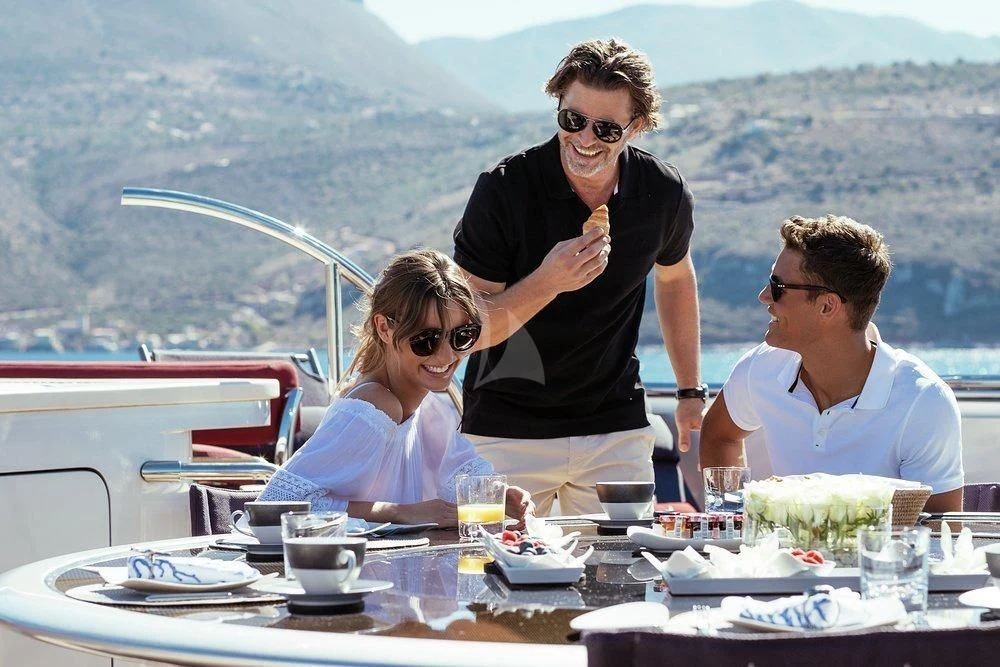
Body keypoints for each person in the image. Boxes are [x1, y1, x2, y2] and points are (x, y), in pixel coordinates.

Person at [452, 39, 703, 516]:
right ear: (558, 107)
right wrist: (549, 281)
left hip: (616, 427)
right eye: (573, 120)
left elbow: (674, 279)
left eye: (606, 128)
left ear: (638, 127)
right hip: (506, 431)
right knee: (491, 578)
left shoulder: (662, 193)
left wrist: (689, 389)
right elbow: (470, 330)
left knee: (621, 584)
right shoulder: (504, 191)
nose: (585, 139)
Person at [698, 215, 964, 512]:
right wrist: (734, 519)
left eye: (778, 286)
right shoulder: (761, 367)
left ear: (827, 306)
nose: (764, 297)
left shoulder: (924, 401)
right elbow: (719, 434)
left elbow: (942, 530)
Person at [257, 249, 534, 527]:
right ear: (384, 328)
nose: (446, 355)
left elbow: (456, 472)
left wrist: (499, 498)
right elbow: (275, 506)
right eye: (426, 339)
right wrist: (399, 512)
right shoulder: (374, 407)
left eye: (462, 336)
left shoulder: (425, 404)